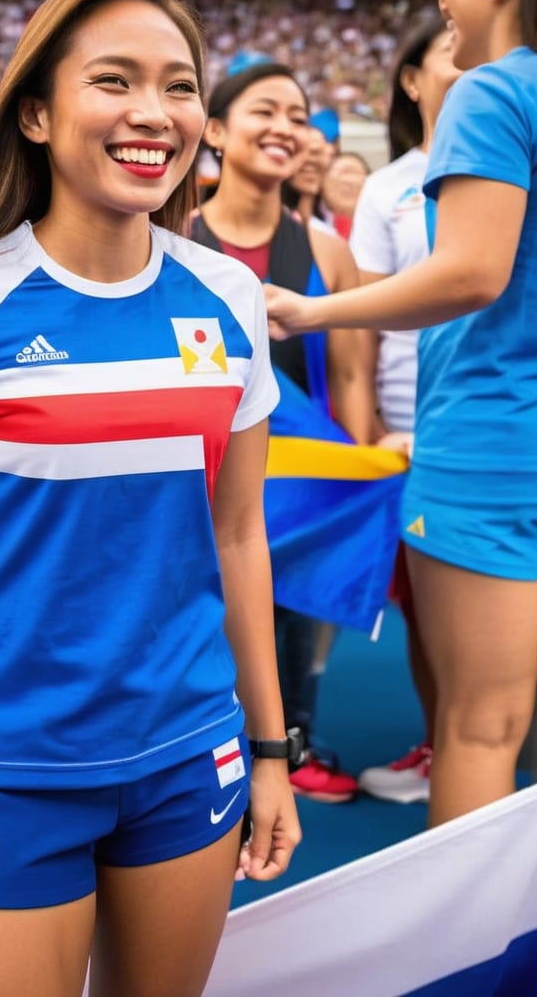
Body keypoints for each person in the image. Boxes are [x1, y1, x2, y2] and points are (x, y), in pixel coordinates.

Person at [0, 0, 300, 995]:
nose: (155, 112)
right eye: (115, 80)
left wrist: (270, 749)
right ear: (38, 116)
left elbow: (239, 538)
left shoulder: (228, 294)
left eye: (179, 85)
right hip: (3, 772)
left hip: (192, 755)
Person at [264, 0, 537, 827]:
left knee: (479, 731)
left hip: (493, 451)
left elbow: (469, 272)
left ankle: (478, 968)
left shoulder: (491, 93)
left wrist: (313, 313)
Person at [191, 60, 373, 804]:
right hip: (195, 475)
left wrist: (357, 466)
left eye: (298, 116)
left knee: (292, 607)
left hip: (295, 479)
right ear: (214, 130)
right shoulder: (173, 234)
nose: (285, 128)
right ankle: (207, 743)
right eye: (265, 110)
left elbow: (354, 371)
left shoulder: (327, 252)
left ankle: (292, 739)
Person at [349, 19, 461, 805]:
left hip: (501, 426)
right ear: (411, 83)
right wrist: (368, 443)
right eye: (446, 54)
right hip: (407, 432)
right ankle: (441, 744)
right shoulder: (387, 190)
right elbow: (361, 333)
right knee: (430, 608)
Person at [319, 151, 371, 239]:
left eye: (354, 173)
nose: (348, 181)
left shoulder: (378, 225)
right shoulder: (306, 225)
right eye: (344, 173)